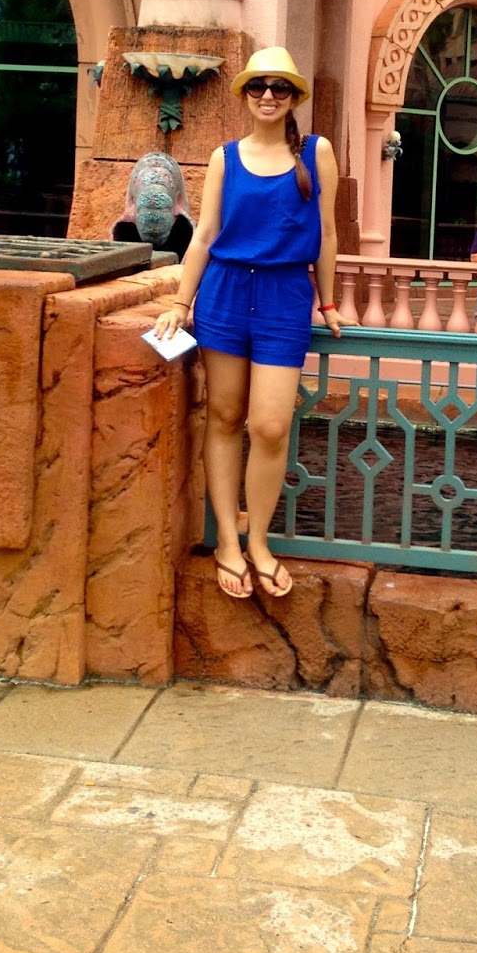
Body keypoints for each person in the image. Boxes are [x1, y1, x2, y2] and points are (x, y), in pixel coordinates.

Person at [154, 47, 346, 599]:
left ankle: (258, 540)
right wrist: (181, 302)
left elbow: (327, 233)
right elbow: (205, 235)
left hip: (285, 296)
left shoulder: (316, 151)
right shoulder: (225, 157)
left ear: (293, 97)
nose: (267, 95)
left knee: (269, 425)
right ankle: (227, 542)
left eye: (279, 87)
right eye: (258, 86)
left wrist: (328, 303)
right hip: (226, 292)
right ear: (243, 94)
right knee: (224, 415)